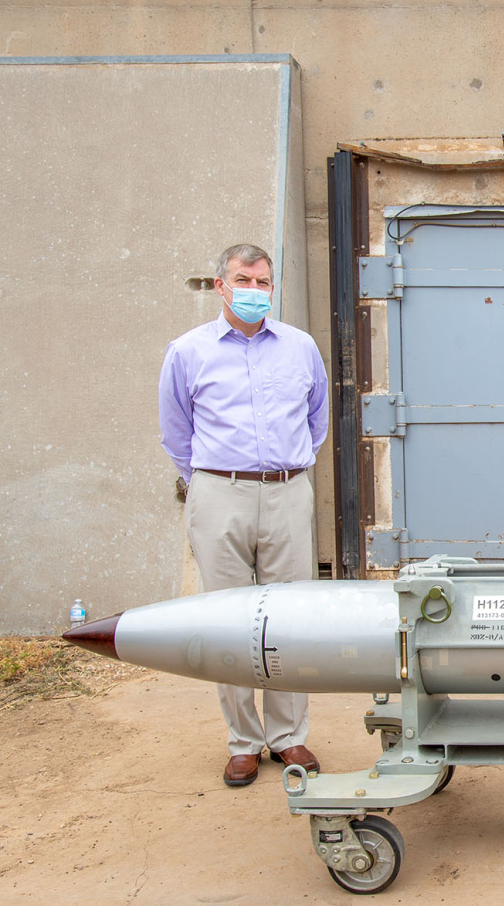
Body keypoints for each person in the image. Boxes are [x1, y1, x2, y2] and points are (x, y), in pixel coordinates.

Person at [158, 243, 329, 787]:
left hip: (286, 491)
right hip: (218, 493)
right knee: (227, 621)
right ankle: (243, 741)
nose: (254, 290)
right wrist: (207, 483)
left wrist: (288, 472)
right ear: (220, 285)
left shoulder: (300, 348)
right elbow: (176, 431)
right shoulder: (187, 352)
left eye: (263, 281)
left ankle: (288, 735)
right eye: (243, 280)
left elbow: (316, 418)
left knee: (289, 619)